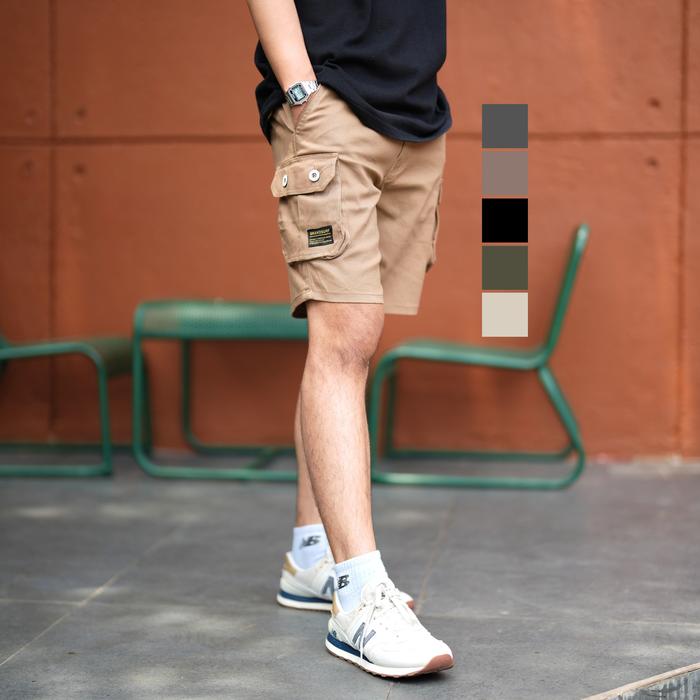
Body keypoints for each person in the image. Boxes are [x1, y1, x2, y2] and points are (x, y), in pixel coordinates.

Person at [246, 0, 453, 678]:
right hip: (330, 102)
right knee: (345, 344)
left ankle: (313, 557)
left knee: (348, 347)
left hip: (416, 116)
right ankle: (359, 599)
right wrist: (301, 91)